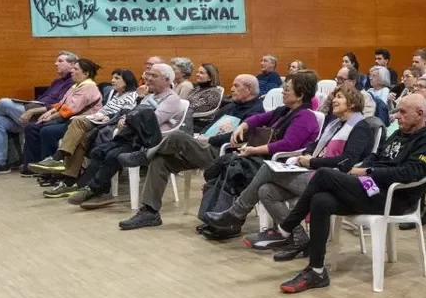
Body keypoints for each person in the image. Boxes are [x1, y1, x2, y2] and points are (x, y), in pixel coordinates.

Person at [275, 94, 426, 292]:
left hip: (393, 198)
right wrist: (362, 169)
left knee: (323, 175)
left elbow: (410, 173)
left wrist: (368, 172)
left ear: (420, 114)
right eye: (397, 112)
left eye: (403, 112)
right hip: (371, 188)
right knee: (321, 200)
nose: (397, 117)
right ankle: (317, 270)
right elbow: (376, 156)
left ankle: (286, 227)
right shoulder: (399, 133)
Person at [120, 72, 321, 231]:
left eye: (286, 89)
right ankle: (150, 211)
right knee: (161, 161)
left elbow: (286, 145)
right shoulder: (273, 110)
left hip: (226, 153)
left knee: (177, 137)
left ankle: (143, 155)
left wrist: (249, 146)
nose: (282, 92)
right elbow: (254, 122)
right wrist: (244, 125)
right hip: (212, 150)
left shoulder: (301, 116)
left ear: (300, 94)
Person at [202, 83, 377, 246]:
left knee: (267, 169)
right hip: (316, 173)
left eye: (340, 97)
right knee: (266, 190)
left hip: (335, 181)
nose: (334, 100)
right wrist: (306, 153)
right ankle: (297, 236)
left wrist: (312, 161)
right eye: (334, 96)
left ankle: (236, 213)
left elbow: (347, 161)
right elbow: (315, 145)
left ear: (353, 103)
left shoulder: (360, 128)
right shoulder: (336, 125)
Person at [68, 63, 186, 211]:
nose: (148, 79)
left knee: (113, 155)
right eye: (148, 75)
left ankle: (92, 189)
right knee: (98, 151)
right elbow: (134, 114)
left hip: (149, 140)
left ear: (167, 80)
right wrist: (128, 116)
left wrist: (129, 118)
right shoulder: (150, 95)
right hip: (133, 135)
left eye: (154, 76)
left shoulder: (171, 99)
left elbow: (151, 121)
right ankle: (102, 192)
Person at [0, 51, 79, 176]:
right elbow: (42, 100)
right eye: (56, 61)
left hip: (44, 115)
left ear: (72, 64)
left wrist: (32, 110)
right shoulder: (56, 82)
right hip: (34, 109)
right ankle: (0, 163)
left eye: (60, 61)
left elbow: (61, 106)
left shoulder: (73, 83)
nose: (56, 63)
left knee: (4, 102)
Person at [28, 69, 140, 196]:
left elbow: (127, 114)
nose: (112, 81)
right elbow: (103, 110)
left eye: (117, 78)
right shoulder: (116, 94)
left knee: (77, 121)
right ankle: (69, 182)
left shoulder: (133, 95)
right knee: (79, 137)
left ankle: (58, 158)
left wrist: (108, 116)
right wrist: (98, 116)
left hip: (111, 124)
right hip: (99, 120)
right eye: (112, 77)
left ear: (127, 81)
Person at [20, 58, 104, 174]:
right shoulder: (75, 86)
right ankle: (33, 165)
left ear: (86, 73)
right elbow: (61, 103)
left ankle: (51, 167)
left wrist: (51, 117)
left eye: (75, 69)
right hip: (67, 120)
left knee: (48, 131)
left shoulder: (89, 87)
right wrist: (50, 111)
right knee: (32, 127)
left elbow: (71, 109)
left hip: (80, 123)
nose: (72, 71)